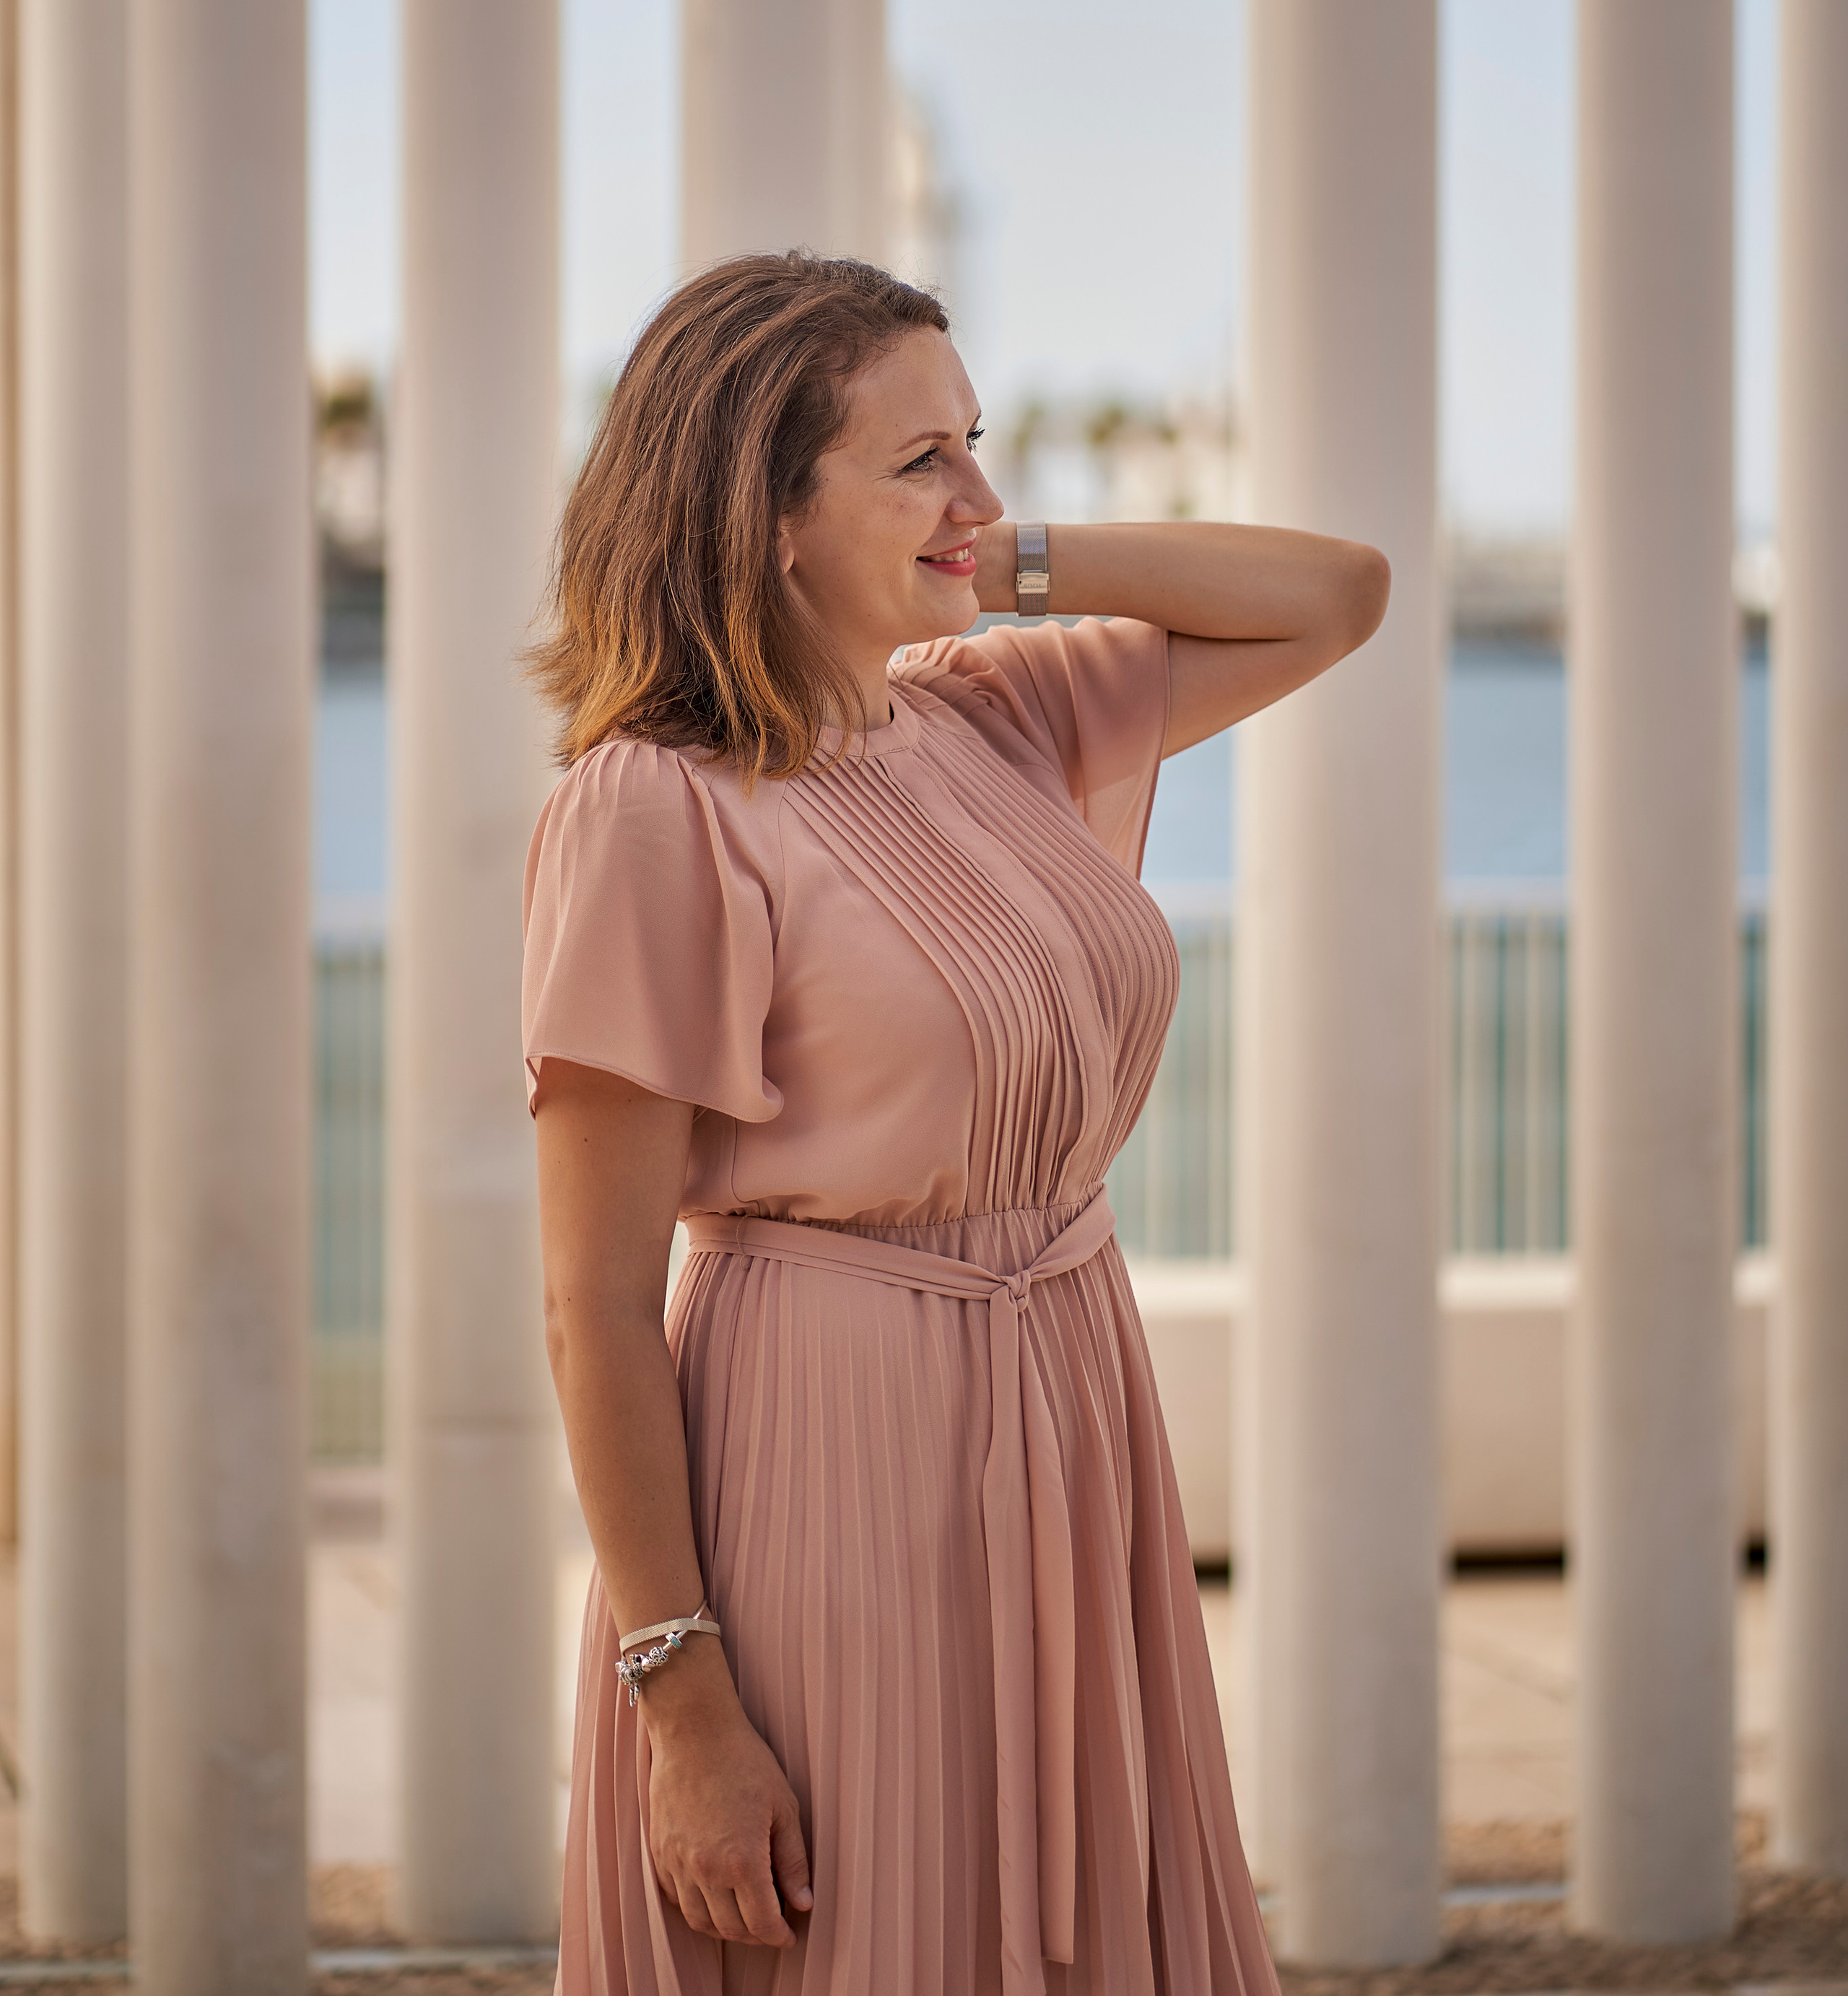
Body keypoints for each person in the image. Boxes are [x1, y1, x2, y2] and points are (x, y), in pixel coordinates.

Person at [523, 251, 1387, 1995]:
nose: (978, 493)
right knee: (874, 1921)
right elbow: (591, 1303)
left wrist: (977, 555)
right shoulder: (651, 810)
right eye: (921, 458)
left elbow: (1333, 594)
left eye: (973, 444)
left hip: (1071, 1395)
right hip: (825, 1446)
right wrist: (683, 1704)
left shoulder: (991, 715)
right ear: (763, 511)